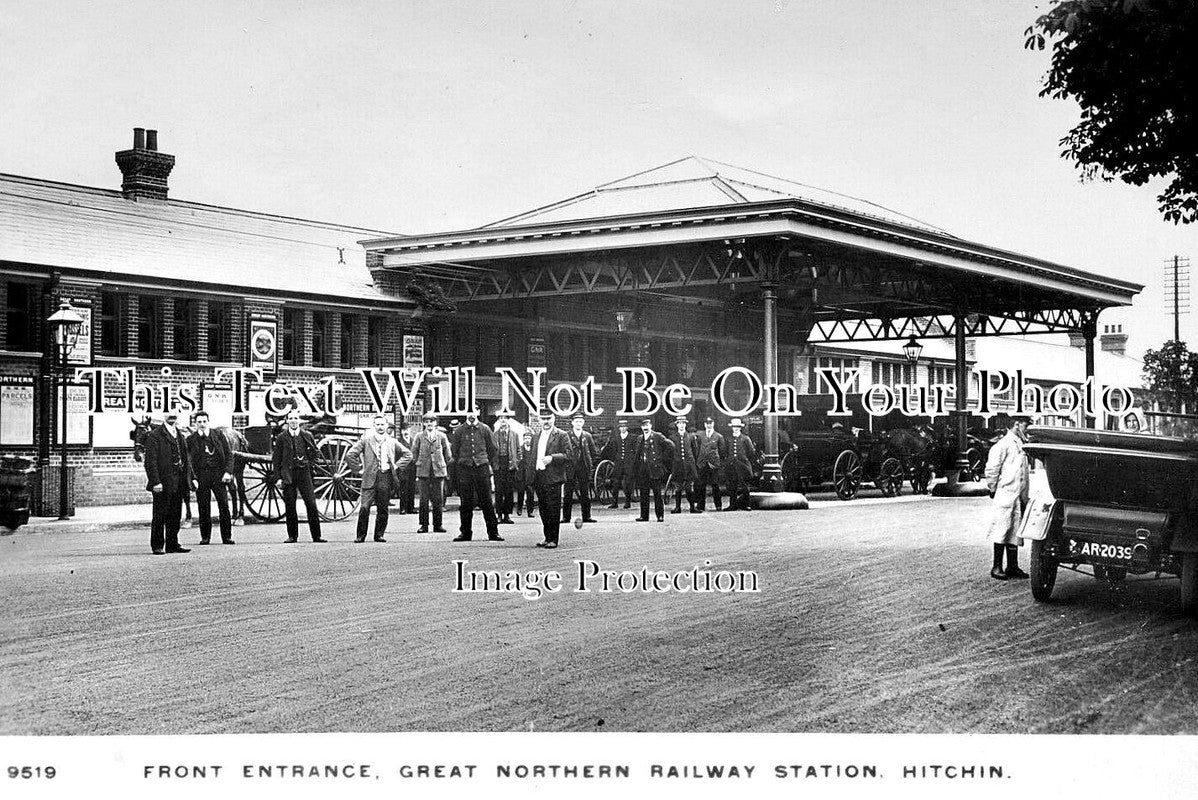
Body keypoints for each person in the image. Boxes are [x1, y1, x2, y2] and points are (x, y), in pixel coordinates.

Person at [347, 415, 413, 543]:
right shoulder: (366, 440)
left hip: (385, 476)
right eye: (377, 425)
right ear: (374, 426)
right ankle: (360, 536)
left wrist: (396, 466)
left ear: (387, 426)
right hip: (369, 478)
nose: (380, 427)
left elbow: (408, 454)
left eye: (382, 424)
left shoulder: (392, 441)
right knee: (364, 507)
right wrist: (358, 469)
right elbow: (350, 454)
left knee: (383, 508)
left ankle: (379, 534)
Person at [984, 415, 1031, 580]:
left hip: (1018, 495)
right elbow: (992, 469)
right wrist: (993, 488)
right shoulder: (1002, 445)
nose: (1027, 430)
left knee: (1015, 530)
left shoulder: (1020, 444)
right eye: (1025, 426)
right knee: (1002, 529)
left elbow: (1024, 473)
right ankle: (996, 566)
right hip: (1005, 492)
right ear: (1017, 425)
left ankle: (1012, 566)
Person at [271, 409, 327, 543]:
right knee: (290, 506)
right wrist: (278, 478)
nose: (293, 421)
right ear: (287, 421)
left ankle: (316, 536)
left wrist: (309, 465)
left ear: (299, 420)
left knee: (311, 504)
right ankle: (292, 536)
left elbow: (315, 453)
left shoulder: (307, 435)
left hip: (304, 474)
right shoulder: (281, 438)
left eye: (296, 418)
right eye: (291, 418)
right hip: (288, 475)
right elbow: (276, 459)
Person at [449, 407, 503, 542]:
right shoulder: (460, 431)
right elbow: (454, 450)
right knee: (465, 503)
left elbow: (493, 448)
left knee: (487, 502)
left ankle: (493, 532)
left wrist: (483, 460)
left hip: (482, 469)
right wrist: (464, 461)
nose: (471, 414)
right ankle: (465, 533)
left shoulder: (485, 429)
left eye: (474, 411)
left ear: (478, 412)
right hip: (465, 469)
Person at [144, 412, 193, 555]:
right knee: (160, 514)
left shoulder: (180, 435)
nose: (172, 415)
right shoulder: (155, 435)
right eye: (168, 413)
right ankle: (158, 545)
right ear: (163, 415)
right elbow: (150, 462)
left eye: (175, 412)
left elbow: (187, 460)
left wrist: (192, 478)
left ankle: (172, 544)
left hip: (179, 482)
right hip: (162, 483)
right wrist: (156, 482)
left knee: (175, 514)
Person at [186, 410, 235, 545]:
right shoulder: (190, 440)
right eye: (199, 422)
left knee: (224, 506)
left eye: (204, 421)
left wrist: (228, 472)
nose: (202, 424)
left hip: (218, 475)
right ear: (195, 423)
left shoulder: (218, 435)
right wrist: (193, 479)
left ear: (208, 422)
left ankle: (227, 537)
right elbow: (188, 462)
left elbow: (229, 455)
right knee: (203, 507)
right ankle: (205, 537)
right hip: (201, 477)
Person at [531, 410, 572, 548]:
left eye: (548, 418)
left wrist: (552, 458)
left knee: (553, 509)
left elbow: (569, 455)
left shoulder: (561, 435)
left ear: (553, 419)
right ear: (539, 420)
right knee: (543, 508)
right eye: (543, 419)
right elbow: (531, 457)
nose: (546, 422)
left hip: (553, 477)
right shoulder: (536, 436)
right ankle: (547, 537)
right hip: (539, 476)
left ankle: (553, 539)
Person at [411, 413, 451, 533]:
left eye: (432, 421)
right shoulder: (419, 436)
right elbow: (414, 453)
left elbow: (448, 454)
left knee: (438, 499)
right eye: (427, 421)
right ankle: (424, 525)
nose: (429, 424)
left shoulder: (442, 436)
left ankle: (438, 525)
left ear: (435, 423)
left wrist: (441, 464)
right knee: (423, 500)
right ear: (424, 423)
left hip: (438, 471)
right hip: (423, 471)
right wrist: (419, 463)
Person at [634, 417, 674, 522]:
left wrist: (662, 458)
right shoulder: (639, 438)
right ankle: (644, 516)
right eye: (643, 426)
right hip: (643, 470)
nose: (645, 427)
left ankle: (660, 516)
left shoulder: (658, 436)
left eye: (647, 425)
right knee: (644, 494)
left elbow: (671, 446)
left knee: (657, 494)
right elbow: (637, 454)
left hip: (655, 469)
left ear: (651, 426)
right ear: (641, 427)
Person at [563, 412, 598, 524]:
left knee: (585, 493)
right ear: (572, 422)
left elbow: (593, 452)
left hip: (583, 467)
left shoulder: (587, 436)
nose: (578, 423)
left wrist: (591, 465)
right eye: (576, 421)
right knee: (568, 493)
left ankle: (587, 516)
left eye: (580, 421)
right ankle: (566, 517)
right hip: (570, 467)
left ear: (583, 422)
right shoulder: (567, 435)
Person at [492, 410, 522, 524]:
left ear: (508, 420)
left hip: (510, 465)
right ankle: (499, 515)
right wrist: (493, 464)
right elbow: (491, 450)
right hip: (498, 464)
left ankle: (507, 515)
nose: (503, 420)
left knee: (509, 491)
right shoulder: (494, 434)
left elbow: (519, 451)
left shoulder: (514, 434)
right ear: (499, 421)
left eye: (505, 418)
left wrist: (516, 462)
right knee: (499, 491)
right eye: (501, 418)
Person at [599, 419, 637, 509]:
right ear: (619, 428)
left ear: (627, 427)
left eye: (624, 427)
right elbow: (610, 450)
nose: (622, 429)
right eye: (621, 427)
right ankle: (614, 503)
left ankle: (627, 502)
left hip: (629, 464)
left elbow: (635, 450)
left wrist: (632, 460)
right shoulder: (615, 438)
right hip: (618, 463)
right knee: (615, 483)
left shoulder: (632, 438)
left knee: (628, 483)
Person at [723, 418, 756, 511]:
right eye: (734, 427)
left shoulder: (745, 438)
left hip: (743, 465)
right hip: (732, 465)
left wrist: (744, 460)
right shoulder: (728, 439)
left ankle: (747, 505)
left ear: (740, 427)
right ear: (732, 428)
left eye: (737, 427)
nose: (736, 428)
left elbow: (751, 452)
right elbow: (725, 451)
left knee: (745, 486)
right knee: (732, 486)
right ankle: (732, 505)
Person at [694, 416, 726, 512]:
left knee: (715, 485)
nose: (709, 425)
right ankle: (700, 506)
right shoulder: (700, 435)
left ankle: (718, 506)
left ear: (713, 424)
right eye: (707, 423)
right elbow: (697, 448)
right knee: (701, 485)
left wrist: (717, 461)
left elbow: (722, 451)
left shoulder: (719, 436)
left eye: (710, 423)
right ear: (704, 425)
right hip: (702, 463)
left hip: (713, 464)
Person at [395, 423, 417, 514]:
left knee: (412, 488)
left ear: (410, 430)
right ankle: (403, 508)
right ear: (401, 431)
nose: (406, 432)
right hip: (403, 469)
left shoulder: (414, 441)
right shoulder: (398, 442)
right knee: (403, 489)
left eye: (407, 430)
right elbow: (396, 456)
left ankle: (411, 508)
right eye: (404, 430)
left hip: (412, 469)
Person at [517, 428, 537, 517]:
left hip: (531, 474)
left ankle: (530, 511)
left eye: (528, 438)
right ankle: (519, 508)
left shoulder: (534, 450)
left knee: (530, 493)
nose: (527, 440)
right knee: (520, 491)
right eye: (525, 438)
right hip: (521, 473)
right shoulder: (520, 448)